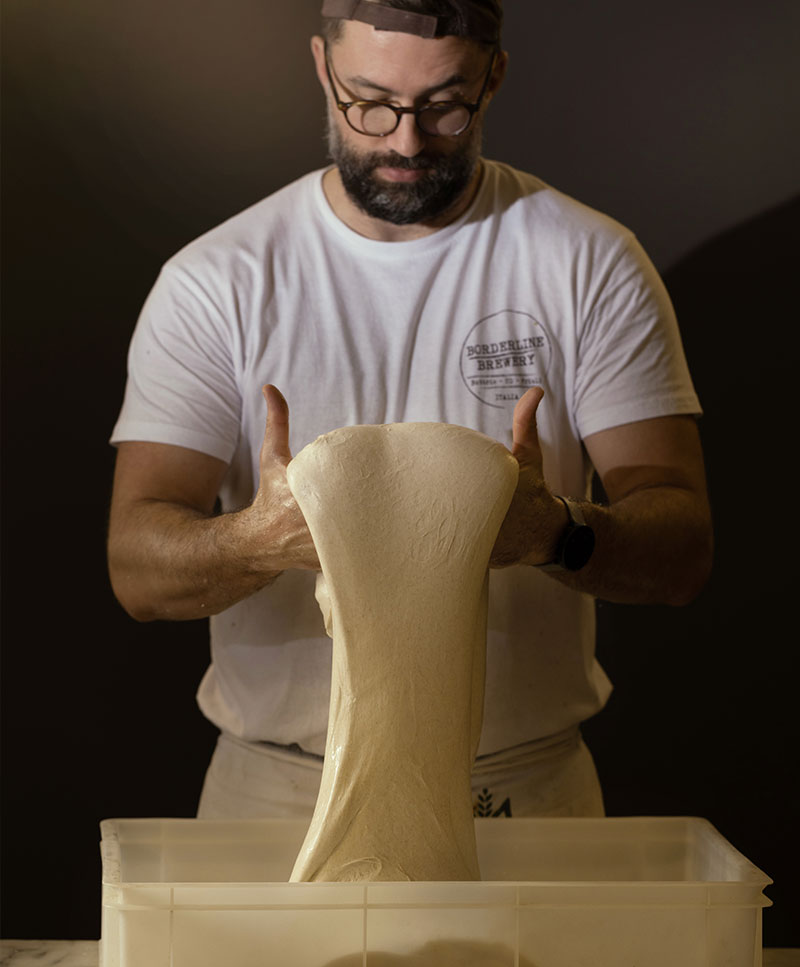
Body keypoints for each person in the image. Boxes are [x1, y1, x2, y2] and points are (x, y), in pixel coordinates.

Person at [107, 0, 713, 822]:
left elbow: (681, 549)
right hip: (279, 791)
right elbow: (136, 571)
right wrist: (256, 542)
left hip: (520, 790)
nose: (404, 140)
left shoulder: (588, 262)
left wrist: (557, 533)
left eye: (443, 105)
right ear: (322, 69)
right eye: (370, 101)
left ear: (493, 78)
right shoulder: (218, 281)